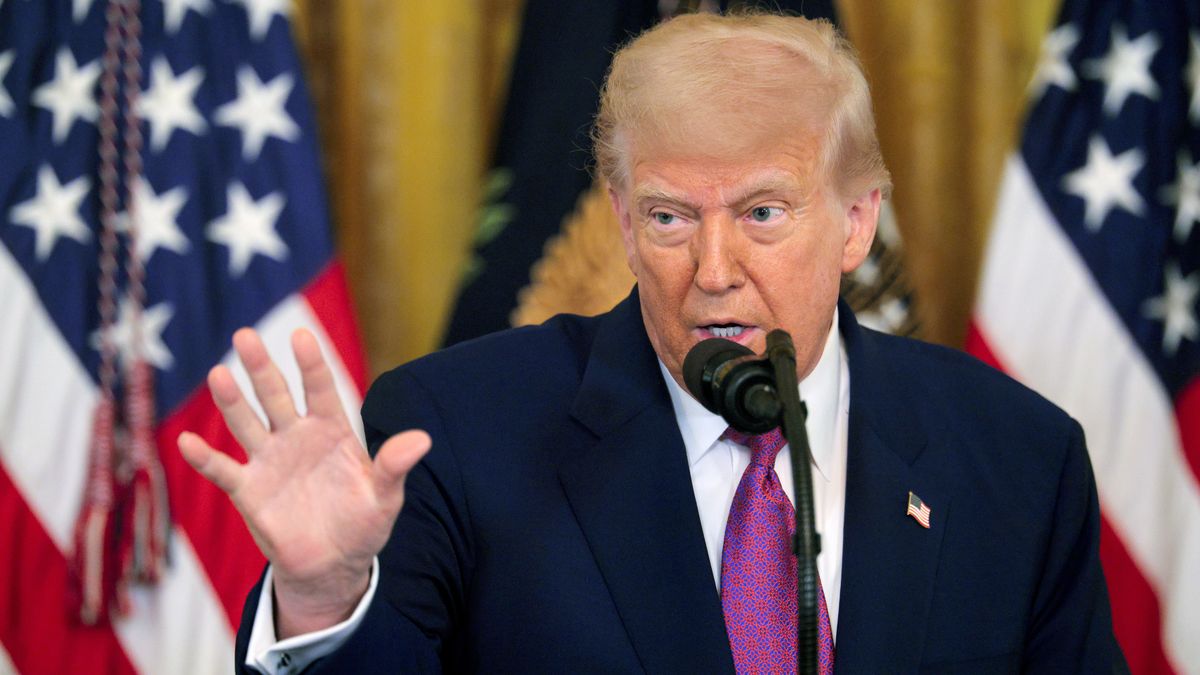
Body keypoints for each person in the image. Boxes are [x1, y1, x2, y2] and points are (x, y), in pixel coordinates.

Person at [178, 11, 1126, 674]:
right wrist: (323, 597)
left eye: (762, 211)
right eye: (671, 218)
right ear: (624, 224)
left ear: (855, 222)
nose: (712, 268)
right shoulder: (458, 433)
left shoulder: (1016, 457)